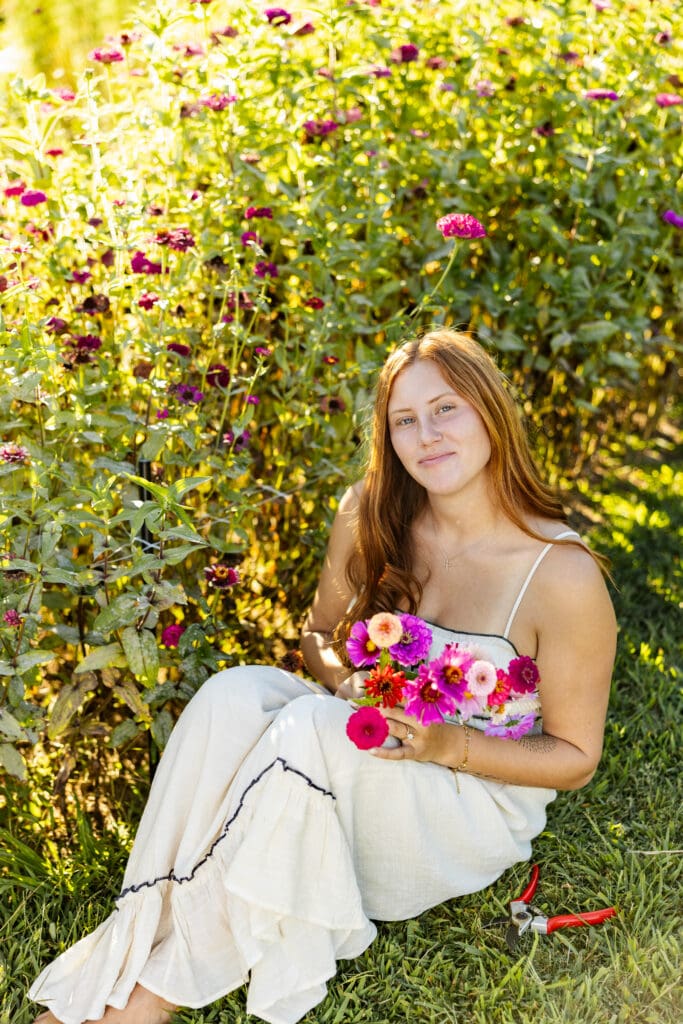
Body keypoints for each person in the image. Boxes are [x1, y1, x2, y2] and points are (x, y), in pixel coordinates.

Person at [31, 328, 616, 1024]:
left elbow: (575, 759)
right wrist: (348, 691)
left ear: (489, 409)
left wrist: (441, 747)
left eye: (446, 408)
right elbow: (316, 637)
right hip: (363, 751)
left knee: (308, 731)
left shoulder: (561, 573)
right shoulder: (370, 512)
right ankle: (135, 938)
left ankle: (147, 999)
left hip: (467, 805)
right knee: (234, 694)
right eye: (404, 420)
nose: (426, 434)